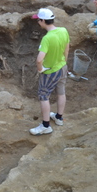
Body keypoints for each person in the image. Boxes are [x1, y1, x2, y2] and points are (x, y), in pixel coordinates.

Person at [30, 8, 69, 136]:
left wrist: (40, 69)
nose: (38, 22)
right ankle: (59, 117)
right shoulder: (63, 31)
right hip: (62, 67)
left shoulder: (47, 38)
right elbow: (67, 48)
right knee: (61, 92)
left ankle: (46, 126)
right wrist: (63, 62)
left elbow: (39, 59)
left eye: (38, 20)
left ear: (43, 21)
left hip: (50, 71)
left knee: (43, 96)